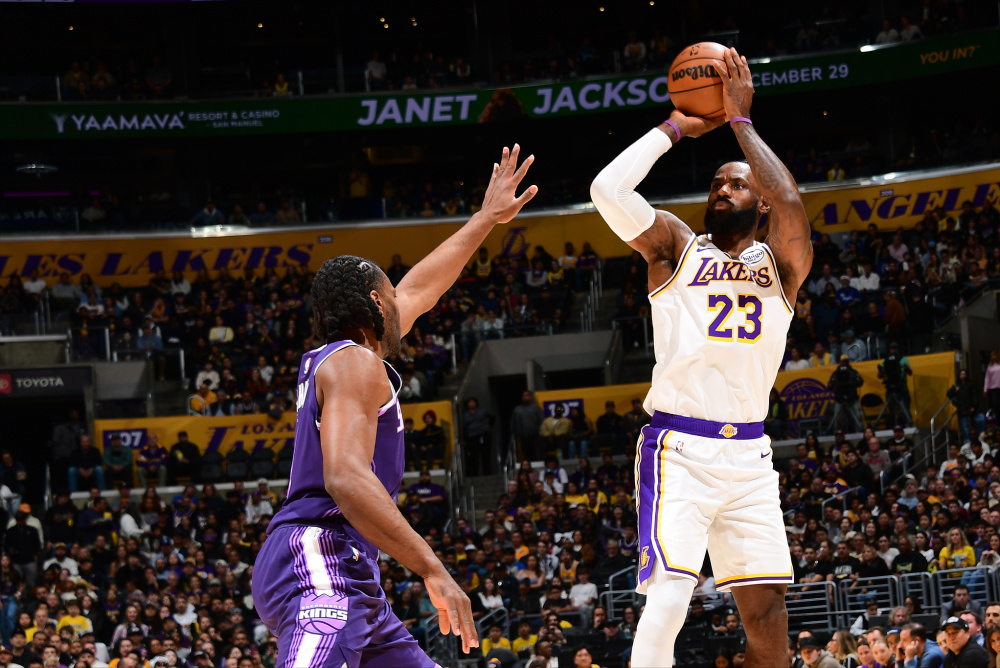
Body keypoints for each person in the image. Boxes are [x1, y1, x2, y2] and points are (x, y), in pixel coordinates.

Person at [253, 143, 536, 667]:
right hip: (321, 555)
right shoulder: (356, 363)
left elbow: (423, 288)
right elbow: (345, 476)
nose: (404, 304)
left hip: (352, 569)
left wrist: (486, 219)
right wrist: (433, 568)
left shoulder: (341, 361)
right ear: (377, 303)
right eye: (392, 295)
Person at [590, 47, 811, 666]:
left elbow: (790, 201)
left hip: (750, 454)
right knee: (670, 597)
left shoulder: (782, 264)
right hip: (679, 446)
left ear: (759, 202)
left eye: (737, 183)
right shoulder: (675, 247)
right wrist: (673, 128)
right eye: (716, 183)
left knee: (767, 613)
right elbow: (607, 189)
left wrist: (740, 121)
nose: (722, 189)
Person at [879, 342, 914, 428]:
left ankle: (909, 427)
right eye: (892, 348)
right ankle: (894, 427)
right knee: (892, 410)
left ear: (898, 349)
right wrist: (882, 371)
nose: (893, 350)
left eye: (895, 348)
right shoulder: (885, 360)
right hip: (890, 389)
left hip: (902, 389)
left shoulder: (903, 359)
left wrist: (906, 368)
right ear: (889, 349)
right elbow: (879, 375)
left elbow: (910, 373)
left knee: (905, 409)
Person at [828, 355, 865, 433]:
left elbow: (860, 383)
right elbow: (829, 385)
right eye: (843, 361)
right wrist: (833, 383)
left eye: (846, 361)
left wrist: (858, 379)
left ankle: (860, 433)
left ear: (848, 362)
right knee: (839, 419)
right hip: (840, 399)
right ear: (840, 362)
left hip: (852, 398)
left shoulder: (853, 372)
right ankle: (839, 434)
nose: (844, 363)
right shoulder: (836, 373)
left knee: (858, 416)